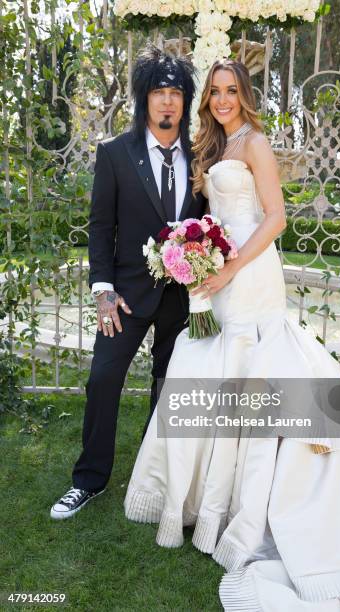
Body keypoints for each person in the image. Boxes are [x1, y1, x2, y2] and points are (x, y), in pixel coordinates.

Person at [124, 59, 340, 610]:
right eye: (216, 91)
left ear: (244, 95)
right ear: (206, 98)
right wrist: (195, 253)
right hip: (222, 277)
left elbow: (275, 218)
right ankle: (208, 502)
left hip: (251, 275)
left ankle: (267, 487)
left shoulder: (254, 142)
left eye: (232, 91)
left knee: (256, 371)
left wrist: (229, 267)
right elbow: (213, 218)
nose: (223, 99)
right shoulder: (214, 147)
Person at [50, 45, 206, 520]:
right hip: (125, 297)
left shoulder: (201, 158)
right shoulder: (116, 154)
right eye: (159, 92)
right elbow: (101, 227)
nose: (167, 102)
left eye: (176, 92)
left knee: (168, 387)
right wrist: (102, 290)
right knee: (102, 380)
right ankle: (89, 480)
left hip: (181, 298)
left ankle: (149, 473)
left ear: (185, 101)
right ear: (144, 100)